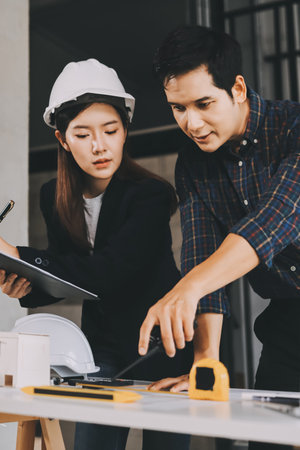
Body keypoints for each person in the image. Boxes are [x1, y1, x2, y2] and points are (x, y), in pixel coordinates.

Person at [0, 58, 193, 450]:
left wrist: (19, 253)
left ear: (125, 132)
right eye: (83, 134)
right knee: (92, 443)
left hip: (161, 343)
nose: (99, 145)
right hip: (101, 346)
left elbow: (106, 273)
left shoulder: (151, 195)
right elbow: (65, 273)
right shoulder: (52, 198)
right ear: (62, 139)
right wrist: (25, 283)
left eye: (110, 130)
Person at [138, 25, 300, 449]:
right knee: (266, 440)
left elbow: (277, 219)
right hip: (289, 323)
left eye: (204, 103)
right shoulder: (193, 164)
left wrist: (187, 288)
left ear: (239, 89)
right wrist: (205, 362)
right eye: (178, 108)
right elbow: (201, 258)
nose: (191, 122)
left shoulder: (294, 129)